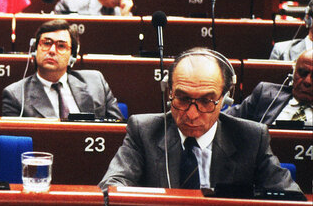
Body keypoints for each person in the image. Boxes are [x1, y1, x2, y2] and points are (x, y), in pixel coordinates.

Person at [99, 48, 301, 193]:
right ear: (169, 93)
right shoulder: (144, 131)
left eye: (206, 101)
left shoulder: (251, 137)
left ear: (225, 99)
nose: (192, 114)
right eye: (183, 98)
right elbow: (112, 187)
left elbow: (290, 199)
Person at [2, 19, 123, 120]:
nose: (52, 51)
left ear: (72, 56)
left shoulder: (96, 82)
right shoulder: (16, 95)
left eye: (61, 46)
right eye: (46, 43)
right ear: (35, 50)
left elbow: (118, 130)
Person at [227, 50, 312, 126]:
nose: (307, 81)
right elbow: (224, 120)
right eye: (303, 73)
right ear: (292, 74)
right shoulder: (265, 94)